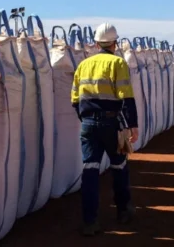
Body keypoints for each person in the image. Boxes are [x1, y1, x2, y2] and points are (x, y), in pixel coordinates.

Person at [71, 22, 139, 236]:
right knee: (119, 167)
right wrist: (132, 125)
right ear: (114, 43)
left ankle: (90, 222)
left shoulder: (84, 64)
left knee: (90, 172)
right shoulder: (118, 63)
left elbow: (75, 99)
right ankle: (123, 211)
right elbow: (126, 96)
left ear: (96, 42)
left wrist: (86, 119)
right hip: (112, 125)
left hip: (88, 125)